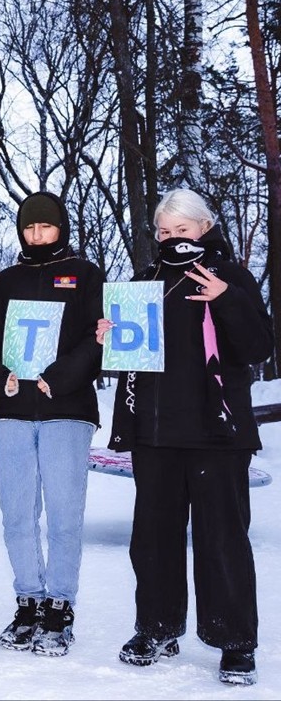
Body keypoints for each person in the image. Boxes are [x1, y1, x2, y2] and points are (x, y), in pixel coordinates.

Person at [96, 189, 270, 686]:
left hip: (217, 432)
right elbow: (131, 365)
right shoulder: (143, 282)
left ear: (205, 227)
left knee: (222, 541)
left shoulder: (230, 275)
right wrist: (111, 336)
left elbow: (258, 347)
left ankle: (235, 641)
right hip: (155, 435)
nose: (173, 239)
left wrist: (227, 299)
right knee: (152, 539)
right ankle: (157, 628)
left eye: (183, 229)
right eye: (164, 232)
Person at [0, 191, 104, 656]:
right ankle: (28, 599)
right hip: (12, 412)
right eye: (29, 229)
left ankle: (60, 606)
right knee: (17, 514)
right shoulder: (6, 280)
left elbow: (97, 337)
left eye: (45, 227)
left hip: (66, 409)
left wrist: (60, 377)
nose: (37, 236)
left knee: (65, 514)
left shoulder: (86, 275)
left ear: (61, 228)